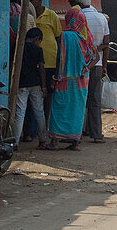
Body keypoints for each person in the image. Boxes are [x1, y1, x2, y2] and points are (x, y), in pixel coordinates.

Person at [47, 8, 94, 150]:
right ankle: (75, 141)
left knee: (58, 107)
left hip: (65, 78)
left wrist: (55, 76)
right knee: (77, 109)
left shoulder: (65, 36)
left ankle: (55, 141)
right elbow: (95, 56)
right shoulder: (87, 36)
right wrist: (86, 68)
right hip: (82, 80)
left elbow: (60, 58)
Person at [73, 0, 109, 143]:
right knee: (94, 100)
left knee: (79, 99)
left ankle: (76, 133)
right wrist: (104, 65)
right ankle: (96, 134)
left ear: (78, 4)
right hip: (97, 63)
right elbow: (106, 44)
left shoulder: (79, 18)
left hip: (81, 64)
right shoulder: (102, 18)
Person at [13, 28, 50, 149]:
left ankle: (15, 143)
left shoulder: (18, 48)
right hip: (35, 84)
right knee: (39, 112)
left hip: (21, 84)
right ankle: (43, 140)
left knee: (20, 113)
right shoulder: (38, 50)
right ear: (37, 39)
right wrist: (44, 86)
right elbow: (42, 69)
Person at [30, 0, 62, 119]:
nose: (30, 2)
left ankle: (46, 123)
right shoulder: (27, 15)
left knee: (48, 94)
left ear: (39, 0)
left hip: (49, 60)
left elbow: (58, 36)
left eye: (32, 0)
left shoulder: (51, 15)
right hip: (33, 61)